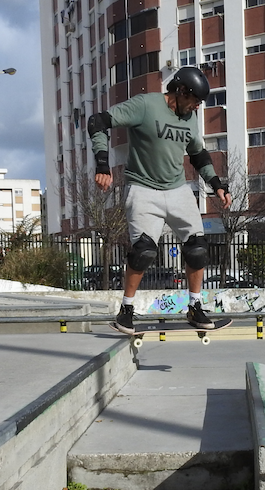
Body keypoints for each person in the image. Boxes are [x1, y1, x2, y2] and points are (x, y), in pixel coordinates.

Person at [87, 66, 233, 334]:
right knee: (143, 251)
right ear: (180, 91)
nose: (196, 108)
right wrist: (102, 164)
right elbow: (98, 121)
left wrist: (216, 185)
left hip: (177, 189)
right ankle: (126, 310)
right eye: (194, 101)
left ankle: (195, 306)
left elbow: (198, 154)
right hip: (142, 188)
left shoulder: (189, 118)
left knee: (198, 248)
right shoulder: (146, 105)